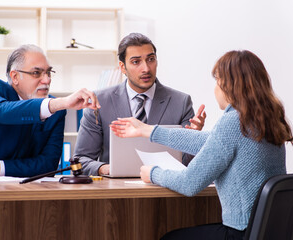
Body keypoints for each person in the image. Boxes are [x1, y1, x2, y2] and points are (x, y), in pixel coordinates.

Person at [110, 50, 293, 239]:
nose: (215, 89)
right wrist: (146, 130)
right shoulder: (265, 119)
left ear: (227, 84)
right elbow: (207, 141)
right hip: (271, 230)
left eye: (217, 81)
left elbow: (188, 183)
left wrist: (153, 173)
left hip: (241, 232)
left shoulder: (234, 121)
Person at [74, 32, 206, 176]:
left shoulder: (180, 102)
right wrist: (106, 168)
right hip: (115, 191)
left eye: (151, 59)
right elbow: (81, 160)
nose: (146, 69)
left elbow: (188, 165)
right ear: (122, 67)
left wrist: (193, 139)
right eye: (136, 62)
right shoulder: (100, 102)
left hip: (165, 191)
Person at [0, 44, 100, 177]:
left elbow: (48, 165)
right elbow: (2, 112)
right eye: (36, 73)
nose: (47, 80)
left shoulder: (56, 110)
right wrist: (61, 103)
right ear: (15, 77)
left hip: (28, 190)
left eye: (48, 72)